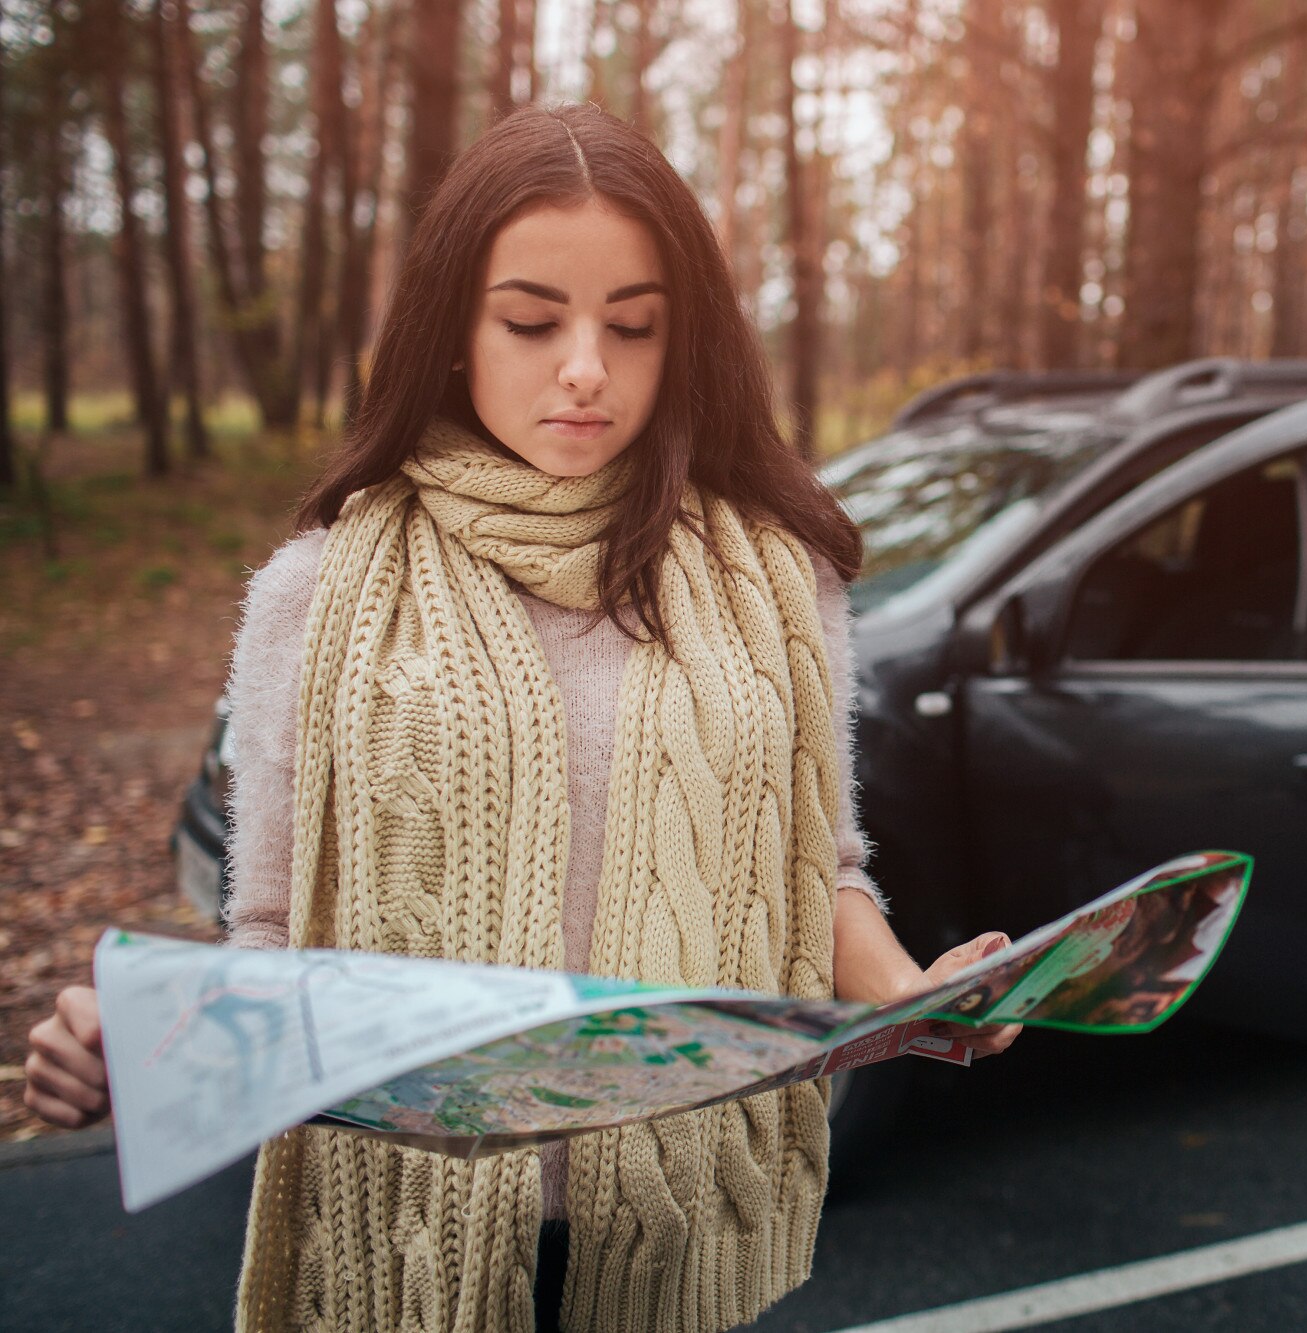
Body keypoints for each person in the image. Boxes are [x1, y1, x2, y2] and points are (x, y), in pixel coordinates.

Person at [25, 101, 1019, 1333]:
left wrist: (915, 998)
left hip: (675, 1232)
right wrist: (150, 1046)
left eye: (634, 324)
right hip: (404, 1233)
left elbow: (817, 871)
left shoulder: (777, 577)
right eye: (532, 320)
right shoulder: (317, 593)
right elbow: (277, 938)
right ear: (453, 330)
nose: (587, 366)